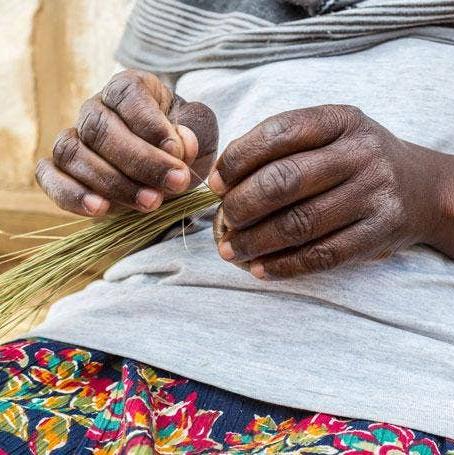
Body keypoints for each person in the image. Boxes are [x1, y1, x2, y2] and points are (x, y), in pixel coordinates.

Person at [1, 0, 454, 452]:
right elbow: (145, 210)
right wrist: (146, 167)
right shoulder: (185, 10)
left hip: (390, 391)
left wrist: (432, 193)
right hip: (109, 343)